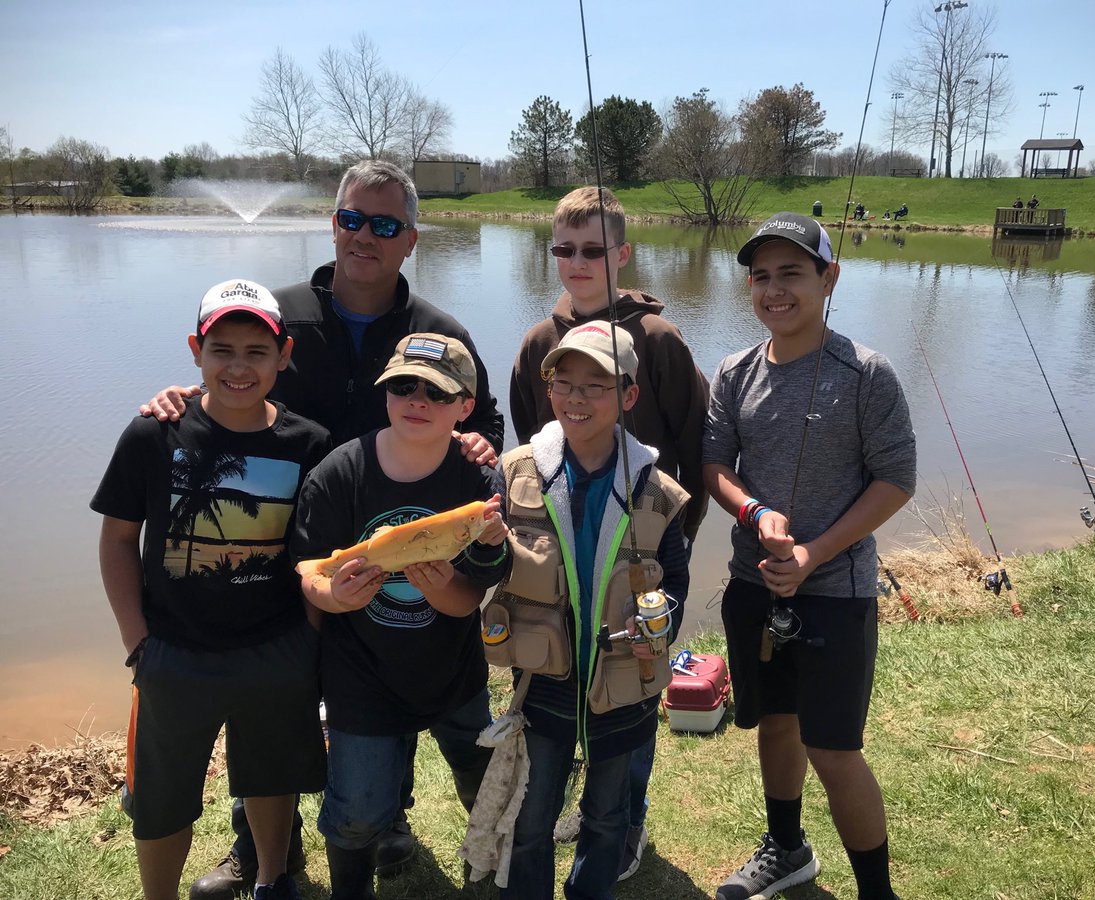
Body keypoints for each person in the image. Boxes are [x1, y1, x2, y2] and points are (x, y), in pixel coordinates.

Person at [141, 160, 506, 899]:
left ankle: (388, 823)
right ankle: (260, 849)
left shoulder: (439, 332)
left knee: (383, 682)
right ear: (332, 222)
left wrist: (479, 446)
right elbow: (232, 385)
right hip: (275, 552)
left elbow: (487, 425)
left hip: (394, 551)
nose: (363, 237)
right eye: (350, 219)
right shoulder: (281, 315)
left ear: (410, 239)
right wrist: (180, 400)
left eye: (384, 224)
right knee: (272, 701)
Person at [92, 280, 331, 900]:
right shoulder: (153, 435)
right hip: (174, 653)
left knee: (271, 777)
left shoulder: (309, 444)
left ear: (284, 355)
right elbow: (119, 539)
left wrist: (308, 638)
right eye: (221, 349)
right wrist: (136, 640)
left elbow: (317, 555)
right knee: (162, 797)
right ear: (197, 350)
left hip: (275, 648)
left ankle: (273, 880)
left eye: (257, 351)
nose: (238, 366)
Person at [703, 212, 916, 900]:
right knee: (776, 721)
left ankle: (876, 892)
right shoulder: (733, 373)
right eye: (761, 276)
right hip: (752, 585)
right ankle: (787, 849)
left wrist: (817, 551)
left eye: (792, 273)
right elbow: (713, 466)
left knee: (832, 747)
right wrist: (755, 512)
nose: (774, 291)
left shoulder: (867, 374)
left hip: (836, 592)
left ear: (830, 278)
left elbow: (896, 480)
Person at [508, 185, 709, 880]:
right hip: (563, 556)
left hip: (641, 555)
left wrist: (668, 549)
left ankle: (625, 820)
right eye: (564, 249)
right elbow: (526, 446)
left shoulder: (659, 340)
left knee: (630, 699)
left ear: (622, 254)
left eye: (594, 250)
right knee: (561, 692)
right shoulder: (539, 340)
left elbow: (695, 444)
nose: (578, 262)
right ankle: (572, 803)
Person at [292, 333, 509, 900]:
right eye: (403, 387)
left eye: (436, 394)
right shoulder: (339, 472)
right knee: (358, 809)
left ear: (466, 408)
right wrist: (334, 596)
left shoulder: (480, 481)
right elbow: (308, 572)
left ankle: (491, 864)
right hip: (361, 675)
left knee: (481, 774)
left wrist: (445, 590)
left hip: (454, 671)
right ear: (385, 394)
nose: (417, 401)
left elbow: (473, 595)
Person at [492, 321, 690, 900]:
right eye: (564, 382)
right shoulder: (513, 473)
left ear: (628, 397)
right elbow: (485, 566)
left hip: (624, 685)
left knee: (607, 817)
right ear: (548, 388)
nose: (576, 398)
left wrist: (660, 616)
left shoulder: (658, 487)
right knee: (531, 822)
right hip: (544, 685)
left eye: (596, 385)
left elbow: (673, 581)